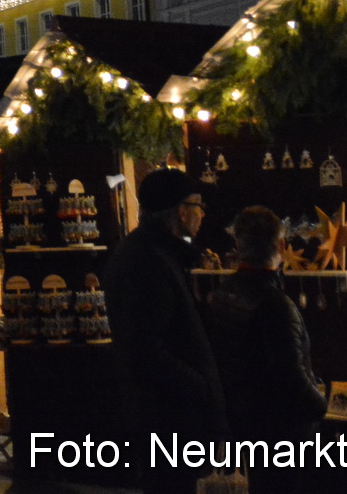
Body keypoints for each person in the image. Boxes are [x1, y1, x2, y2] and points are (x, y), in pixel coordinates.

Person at [103, 168, 226, 494]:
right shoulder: (148, 261)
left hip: (167, 415)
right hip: (170, 418)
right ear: (181, 210)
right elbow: (145, 346)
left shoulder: (154, 254)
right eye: (198, 205)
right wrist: (198, 385)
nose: (201, 215)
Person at [205, 206, 326, 494]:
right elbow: (291, 376)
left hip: (244, 422)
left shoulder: (225, 293)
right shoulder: (276, 305)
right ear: (281, 246)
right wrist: (320, 405)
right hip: (282, 430)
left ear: (238, 246)